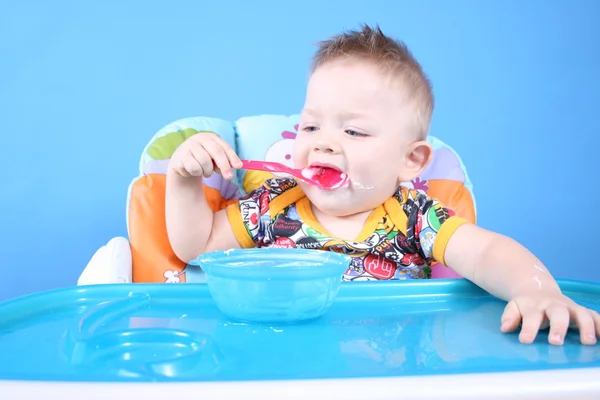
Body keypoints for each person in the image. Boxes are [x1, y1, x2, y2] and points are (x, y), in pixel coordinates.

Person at [165, 24, 600, 346]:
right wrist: (183, 178)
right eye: (311, 126)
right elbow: (195, 245)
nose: (325, 144)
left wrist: (535, 290)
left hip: (393, 374)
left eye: (353, 132)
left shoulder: (417, 218)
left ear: (411, 161)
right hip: (281, 362)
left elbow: (487, 252)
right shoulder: (273, 206)